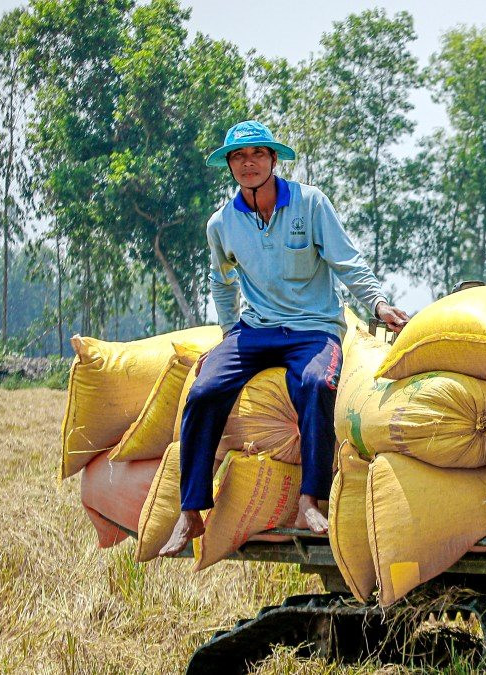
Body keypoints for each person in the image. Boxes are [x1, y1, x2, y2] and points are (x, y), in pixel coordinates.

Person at [159, 120, 409, 557]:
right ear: (230, 166)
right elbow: (222, 282)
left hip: (314, 329)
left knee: (316, 386)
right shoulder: (221, 223)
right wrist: (225, 332)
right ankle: (191, 511)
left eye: (258, 154)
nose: (248, 163)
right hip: (255, 329)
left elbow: (347, 262)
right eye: (239, 156)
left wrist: (378, 304)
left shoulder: (310, 204)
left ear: (274, 160)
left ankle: (309, 503)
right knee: (203, 392)